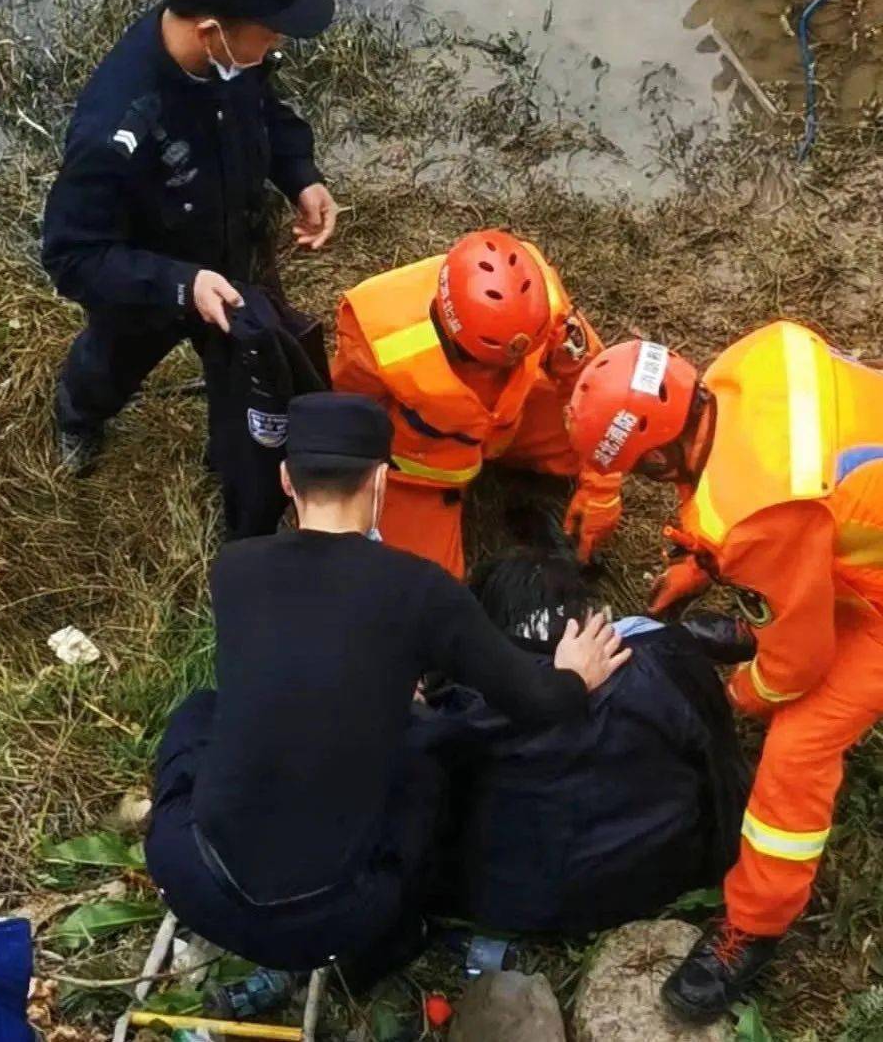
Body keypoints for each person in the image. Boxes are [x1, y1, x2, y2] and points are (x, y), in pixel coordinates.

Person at [144, 392, 631, 983]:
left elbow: (294, 665)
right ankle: (396, 939)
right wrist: (575, 675)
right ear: (380, 481)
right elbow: (536, 705)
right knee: (425, 762)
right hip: (327, 924)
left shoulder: (236, 567)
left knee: (200, 710)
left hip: (193, 883)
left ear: (286, 480)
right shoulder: (421, 591)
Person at [566, 323, 883, 1023]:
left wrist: (742, 694)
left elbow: (802, 663)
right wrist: (704, 564)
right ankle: (768, 613)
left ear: (659, 456)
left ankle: (754, 926)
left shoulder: (759, 516)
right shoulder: (749, 359)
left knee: (798, 743)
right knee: (795, 586)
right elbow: (798, 496)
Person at [41, 0, 338, 535]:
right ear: (211, 32)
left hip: (238, 255)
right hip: (150, 288)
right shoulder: (115, 124)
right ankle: (78, 415)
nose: (279, 44)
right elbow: (72, 255)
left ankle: (232, 453)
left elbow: (269, 111)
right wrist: (180, 286)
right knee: (109, 365)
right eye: (272, 33)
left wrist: (300, 174)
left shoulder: (238, 58)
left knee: (244, 367)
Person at [413, 540, 750, 934]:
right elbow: (722, 772)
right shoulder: (665, 664)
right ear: (589, 617)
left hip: (501, 904)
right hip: (655, 883)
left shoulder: (453, 704)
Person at [330, 229, 623, 577]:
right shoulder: (377, 335)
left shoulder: (542, 300)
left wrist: (601, 489)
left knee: (593, 437)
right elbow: (347, 421)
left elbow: (596, 387)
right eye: (489, 364)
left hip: (512, 419)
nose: (506, 372)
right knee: (425, 584)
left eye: (520, 356)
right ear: (450, 337)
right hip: (425, 466)